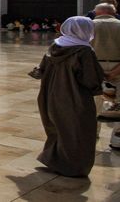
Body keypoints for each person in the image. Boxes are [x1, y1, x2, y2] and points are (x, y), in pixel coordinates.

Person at [32, 16, 109, 177]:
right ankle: (73, 167)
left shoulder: (56, 45)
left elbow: (41, 70)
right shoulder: (84, 51)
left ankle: (55, 161)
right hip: (74, 97)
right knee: (78, 131)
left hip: (50, 94)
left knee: (57, 129)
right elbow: (90, 80)